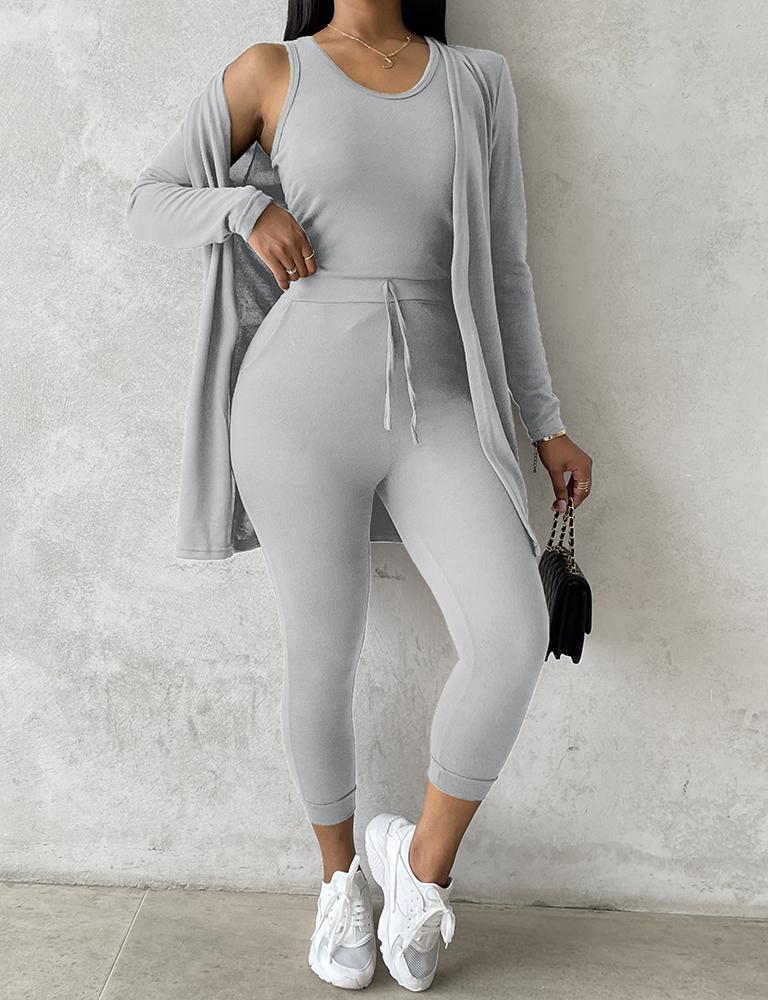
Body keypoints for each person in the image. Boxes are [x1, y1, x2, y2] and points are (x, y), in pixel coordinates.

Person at [129, 2, 593, 992]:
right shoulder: (271, 70)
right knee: (322, 649)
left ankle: (417, 869)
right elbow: (149, 199)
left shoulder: (476, 81)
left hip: (441, 401)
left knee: (511, 633)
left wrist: (544, 421)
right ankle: (338, 881)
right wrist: (242, 208)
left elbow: (507, 267)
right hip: (295, 407)